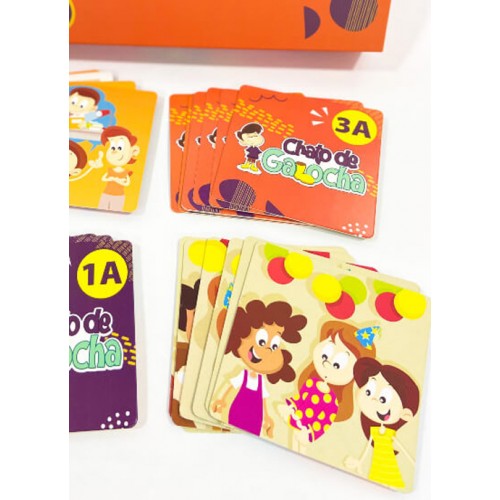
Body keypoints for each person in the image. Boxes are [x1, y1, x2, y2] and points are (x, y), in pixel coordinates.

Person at [279, 322, 377, 454]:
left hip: (308, 429)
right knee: (292, 445)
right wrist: (290, 407)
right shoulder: (311, 383)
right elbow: (300, 399)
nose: (328, 363)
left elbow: (323, 423)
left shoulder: (332, 401)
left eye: (337, 365)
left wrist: (310, 434)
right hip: (297, 418)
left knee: (301, 452)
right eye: (325, 356)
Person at [212, 300, 306, 437]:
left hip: (255, 413)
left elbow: (263, 400)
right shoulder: (244, 374)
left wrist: (266, 417)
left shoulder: (261, 381)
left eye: (274, 346)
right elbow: (231, 387)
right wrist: (222, 400)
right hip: (239, 407)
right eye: (261, 341)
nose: (266, 350)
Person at [344, 358, 420, 489]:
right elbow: (367, 449)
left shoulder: (390, 433)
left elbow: (401, 448)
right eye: (368, 392)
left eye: (383, 399)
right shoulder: (374, 431)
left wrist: (415, 464)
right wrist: (359, 462)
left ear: (405, 413)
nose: (373, 400)